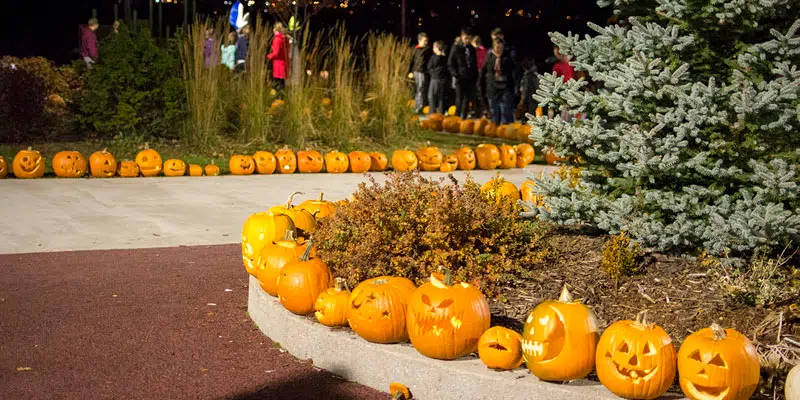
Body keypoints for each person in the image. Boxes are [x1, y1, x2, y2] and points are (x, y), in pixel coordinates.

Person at [479, 39, 515, 125]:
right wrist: (480, 82)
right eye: (497, 47)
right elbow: (483, 70)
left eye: (501, 48)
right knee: (493, 109)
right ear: (494, 47)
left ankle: (505, 126)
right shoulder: (489, 56)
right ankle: (494, 126)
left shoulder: (507, 57)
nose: (499, 50)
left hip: (505, 86)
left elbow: (512, 71)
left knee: (505, 108)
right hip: (492, 86)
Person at [447, 28, 478, 119]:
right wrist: (455, 74)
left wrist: (474, 75)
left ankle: (463, 118)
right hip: (460, 78)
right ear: (462, 37)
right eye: (466, 38)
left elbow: (474, 63)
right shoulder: (456, 48)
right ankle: (456, 118)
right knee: (459, 99)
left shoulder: (472, 49)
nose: (467, 40)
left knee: (467, 100)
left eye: (469, 38)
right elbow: (450, 63)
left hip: (470, 78)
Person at [408, 33, 432, 114]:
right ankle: (417, 106)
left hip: (422, 71)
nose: (426, 42)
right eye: (424, 41)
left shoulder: (427, 49)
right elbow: (411, 61)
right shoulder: (414, 49)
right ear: (419, 40)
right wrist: (410, 71)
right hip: (415, 71)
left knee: (421, 89)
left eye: (427, 41)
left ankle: (420, 107)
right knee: (417, 89)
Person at [427, 40, 448, 115]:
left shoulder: (433, 57)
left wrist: (432, 72)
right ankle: (441, 114)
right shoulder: (445, 58)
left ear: (437, 48)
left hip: (434, 79)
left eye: (433, 47)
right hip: (443, 79)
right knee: (441, 98)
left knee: (432, 96)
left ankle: (432, 113)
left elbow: (429, 67)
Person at [267, 22, 289, 90]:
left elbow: (276, 53)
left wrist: (268, 57)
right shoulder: (285, 39)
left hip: (278, 64)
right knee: (282, 83)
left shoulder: (277, 39)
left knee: (277, 83)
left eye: (274, 28)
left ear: (276, 29)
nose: (273, 30)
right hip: (284, 63)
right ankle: (281, 98)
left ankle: (278, 98)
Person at [472, 36, 488, 117]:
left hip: (479, 73)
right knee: (475, 93)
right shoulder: (472, 50)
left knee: (479, 92)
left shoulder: (482, 50)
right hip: (474, 73)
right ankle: (475, 110)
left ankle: (483, 110)